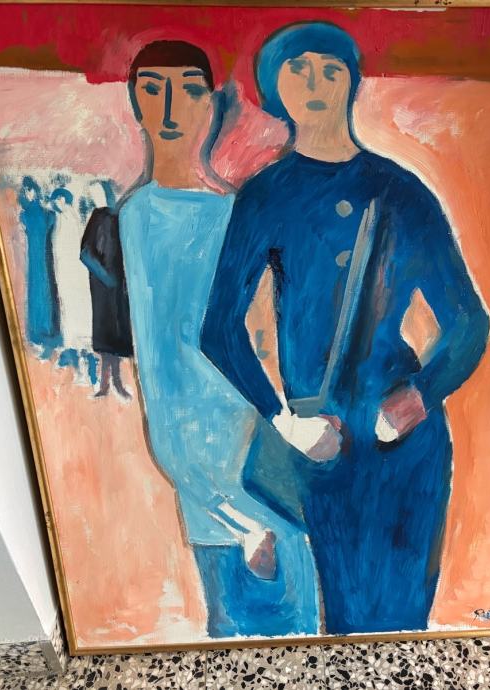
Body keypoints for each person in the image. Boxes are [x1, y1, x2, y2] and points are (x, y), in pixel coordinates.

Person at [202, 22, 490, 635]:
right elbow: (220, 328)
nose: (316, 83)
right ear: (276, 88)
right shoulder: (267, 195)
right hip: (318, 439)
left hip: (405, 443)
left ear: (351, 83)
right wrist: (285, 422)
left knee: (403, 618)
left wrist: (419, 397)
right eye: (299, 70)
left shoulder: (402, 192)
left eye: (331, 70)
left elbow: (468, 322)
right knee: (339, 617)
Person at [117, 40, 319, 638]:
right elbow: (160, 368)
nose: (170, 108)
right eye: (153, 89)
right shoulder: (136, 216)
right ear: (135, 102)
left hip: (270, 451)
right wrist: (227, 513)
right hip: (208, 480)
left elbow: (273, 336)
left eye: (188, 90)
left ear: (211, 104)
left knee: (300, 625)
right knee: (241, 633)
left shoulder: (240, 213)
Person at [79, 180, 132, 399]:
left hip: (118, 287)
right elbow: (85, 253)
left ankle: (117, 383)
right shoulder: (96, 218)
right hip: (102, 287)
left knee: (116, 335)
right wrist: (105, 276)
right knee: (105, 334)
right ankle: (104, 385)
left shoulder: (118, 218)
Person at [50, 185, 97, 385]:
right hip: (66, 276)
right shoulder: (61, 219)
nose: (56, 203)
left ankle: (86, 364)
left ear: (64, 199)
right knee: (69, 315)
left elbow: (76, 249)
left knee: (79, 316)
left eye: (58, 199)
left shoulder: (72, 218)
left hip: (75, 276)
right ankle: (79, 364)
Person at [19, 176, 61, 358]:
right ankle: (40, 334)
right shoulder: (29, 214)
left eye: (30, 190)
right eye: (26, 191)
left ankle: (44, 334)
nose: (28, 193)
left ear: (35, 191)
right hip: (37, 258)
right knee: (39, 292)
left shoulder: (38, 214)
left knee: (43, 292)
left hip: (42, 258)